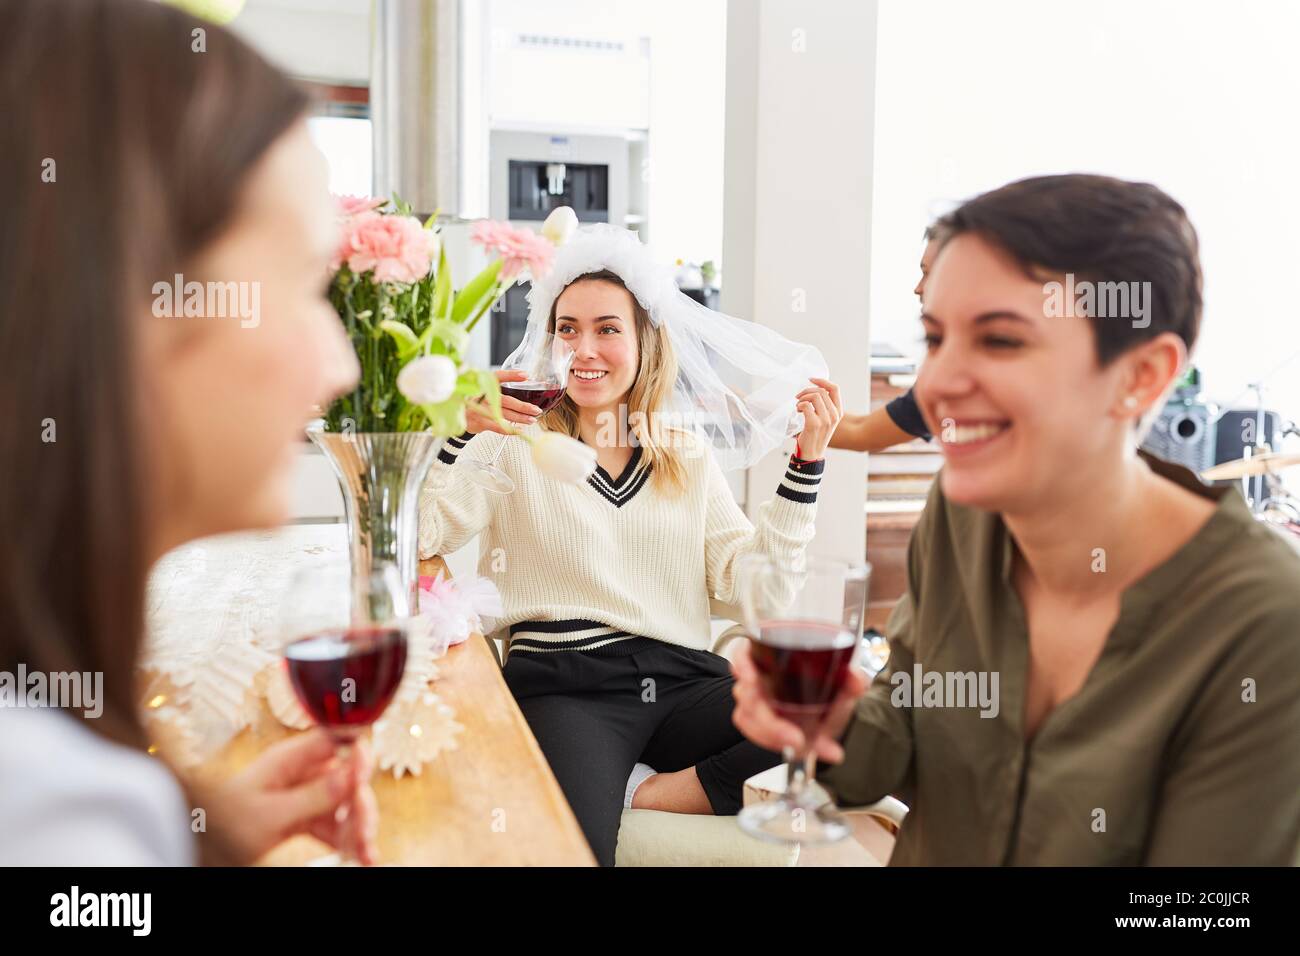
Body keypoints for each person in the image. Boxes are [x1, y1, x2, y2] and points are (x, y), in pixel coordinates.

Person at [731, 174, 1300, 865]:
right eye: (936, 339)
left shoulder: (1264, 623)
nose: (935, 385)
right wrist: (836, 723)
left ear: (1142, 377)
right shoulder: (957, 516)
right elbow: (891, 747)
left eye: (1000, 341)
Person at [0, 0, 377, 865]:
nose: (343, 367)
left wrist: (198, 831)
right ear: (127, 297)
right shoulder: (56, 822)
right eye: (306, 284)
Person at [418, 225, 844, 866]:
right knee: (575, 853)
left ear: (645, 339)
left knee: (843, 705)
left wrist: (805, 468)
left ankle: (667, 793)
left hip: (683, 681)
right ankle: (629, 789)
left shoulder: (685, 454)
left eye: (607, 328)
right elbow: (420, 535)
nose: (583, 349)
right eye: (567, 328)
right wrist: (453, 432)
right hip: (567, 688)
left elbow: (759, 593)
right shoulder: (510, 442)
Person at [814, 225, 949, 453]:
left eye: (928, 273)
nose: (918, 288)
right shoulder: (939, 375)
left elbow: (861, 432)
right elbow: (860, 430)